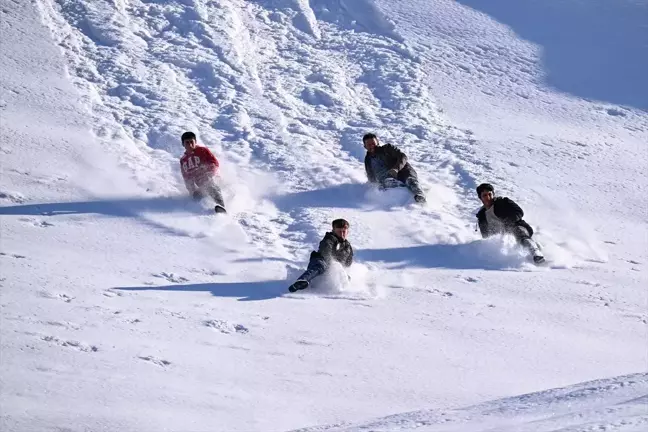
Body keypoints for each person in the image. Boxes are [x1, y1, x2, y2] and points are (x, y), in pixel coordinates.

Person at [475, 183, 545, 263]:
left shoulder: (503, 202)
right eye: (484, 195)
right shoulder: (481, 215)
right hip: (503, 238)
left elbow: (519, 212)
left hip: (518, 227)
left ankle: (536, 253)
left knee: (518, 231)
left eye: (490, 194)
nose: (488, 197)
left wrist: (508, 222)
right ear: (480, 198)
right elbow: (485, 235)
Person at [288, 218, 354, 292]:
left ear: (347, 232)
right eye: (339, 231)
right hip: (319, 261)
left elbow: (348, 262)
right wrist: (333, 265)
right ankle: (302, 281)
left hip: (332, 270)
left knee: (347, 277)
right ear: (334, 230)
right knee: (321, 265)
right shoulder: (329, 239)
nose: (342, 234)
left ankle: (340, 291)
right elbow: (326, 253)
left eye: (344, 231)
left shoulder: (348, 246)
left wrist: (341, 269)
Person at [363, 133, 426, 203]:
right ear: (365, 146)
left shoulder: (387, 148)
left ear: (377, 142)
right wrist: (373, 185)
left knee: (410, 180)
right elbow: (370, 176)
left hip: (403, 172)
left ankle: (420, 197)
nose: (372, 146)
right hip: (387, 181)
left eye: (373, 143)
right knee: (388, 183)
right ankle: (404, 199)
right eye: (369, 145)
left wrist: (396, 169)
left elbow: (403, 156)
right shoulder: (367, 160)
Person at [179, 131, 226, 213]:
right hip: (200, 185)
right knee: (197, 197)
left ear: (195, 142)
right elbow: (186, 178)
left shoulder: (202, 150)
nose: (190, 144)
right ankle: (203, 213)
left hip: (212, 178)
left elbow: (214, 163)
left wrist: (210, 173)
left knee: (211, 186)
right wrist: (192, 191)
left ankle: (222, 207)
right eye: (187, 142)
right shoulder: (183, 160)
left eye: (191, 142)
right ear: (183, 144)